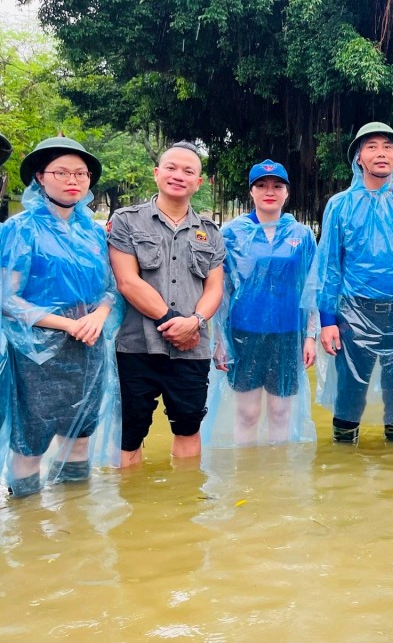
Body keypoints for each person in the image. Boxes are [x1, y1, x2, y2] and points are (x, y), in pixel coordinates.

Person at [0, 136, 121, 498]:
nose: (74, 180)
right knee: (30, 440)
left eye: (81, 173)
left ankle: (74, 522)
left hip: (89, 347)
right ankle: (28, 525)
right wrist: (67, 324)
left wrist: (99, 315)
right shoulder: (20, 229)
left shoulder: (94, 232)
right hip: (37, 352)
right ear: (40, 176)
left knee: (80, 433)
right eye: (62, 172)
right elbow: (8, 298)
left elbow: (111, 287)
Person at [316, 122, 393, 444]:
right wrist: (327, 321)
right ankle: (343, 464)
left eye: (388, 147)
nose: (381, 153)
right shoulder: (339, 205)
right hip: (352, 314)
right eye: (371, 146)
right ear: (359, 158)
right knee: (349, 393)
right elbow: (328, 267)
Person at [108, 141, 225, 466]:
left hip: (192, 348)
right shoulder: (127, 221)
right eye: (171, 168)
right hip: (136, 347)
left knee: (188, 428)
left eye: (189, 171)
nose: (179, 175)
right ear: (157, 173)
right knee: (130, 433)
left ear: (199, 183)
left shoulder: (210, 233)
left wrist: (195, 323)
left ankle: (184, 506)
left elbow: (215, 288)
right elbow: (127, 282)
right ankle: (133, 509)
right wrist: (176, 321)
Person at [202, 160, 318, 447]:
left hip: (288, 334)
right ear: (251, 191)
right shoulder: (231, 233)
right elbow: (220, 289)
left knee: (281, 412)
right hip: (243, 333)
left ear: (287, 193)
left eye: (277, 186)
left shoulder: (301, 236)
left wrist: (311, 336)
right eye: (262, 186)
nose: (270, 191)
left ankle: (276, 479)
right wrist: (219, 340)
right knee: (248, 412)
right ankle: (247, 475)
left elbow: (312, 289)